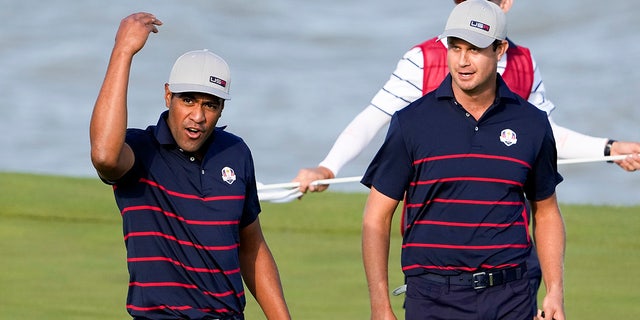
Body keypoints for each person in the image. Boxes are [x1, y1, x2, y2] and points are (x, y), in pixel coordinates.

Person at [294, 0, 640, 194]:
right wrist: (328, 167)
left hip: (506, 230)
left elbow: (545, 135)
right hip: (434, 227)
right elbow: (373, 118)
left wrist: (608, 149)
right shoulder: (423, 59)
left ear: (505, 4)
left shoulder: (524, 62)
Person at [360, 1, 566, 319]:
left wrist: (554, 291)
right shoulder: (411, 122)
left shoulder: (532, 123)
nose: (463, 60)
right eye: (455, 48)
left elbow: (547, 213)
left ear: (500, 49)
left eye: (474, 49)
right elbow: (376, 218)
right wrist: (380, 305)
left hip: (511, 297)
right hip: (432, 299)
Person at [90, 12, 291, 320]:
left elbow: (252, 246)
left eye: (210, 104)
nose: (198, 116)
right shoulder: (140, 152)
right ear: (168, 94)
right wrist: (123, 51)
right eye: (188, 100)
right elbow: (104, 155)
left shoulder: (235, 153)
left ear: (222, 108)